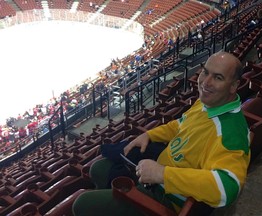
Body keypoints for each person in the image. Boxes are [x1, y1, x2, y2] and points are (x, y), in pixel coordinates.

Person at [72, 51, 251, 216]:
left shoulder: (229, 131)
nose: (205, 82)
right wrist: (149, 135)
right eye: (205, 72)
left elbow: (228, 187)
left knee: (81, 204)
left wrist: (162, 174)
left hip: (164, 198)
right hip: (157, 175)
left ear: (234, 85)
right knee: (97, 169)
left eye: (218, 77)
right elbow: (180, 125)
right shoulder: (210, 104)